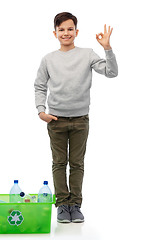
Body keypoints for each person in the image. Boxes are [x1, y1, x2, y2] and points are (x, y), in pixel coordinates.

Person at [34, 12, 118, 223]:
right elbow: (40, 86)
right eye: (61, 30)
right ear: (55, 33)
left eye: (70, 29)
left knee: (77, 163)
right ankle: (63, 205)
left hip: (80, 119)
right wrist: (40, 111)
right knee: (59, 163)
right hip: (56, 120)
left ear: (76, 32)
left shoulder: (87, 54)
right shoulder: (48, 59)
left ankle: (76, 205)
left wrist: (107, 48)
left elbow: (111, 72)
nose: (66, 33)